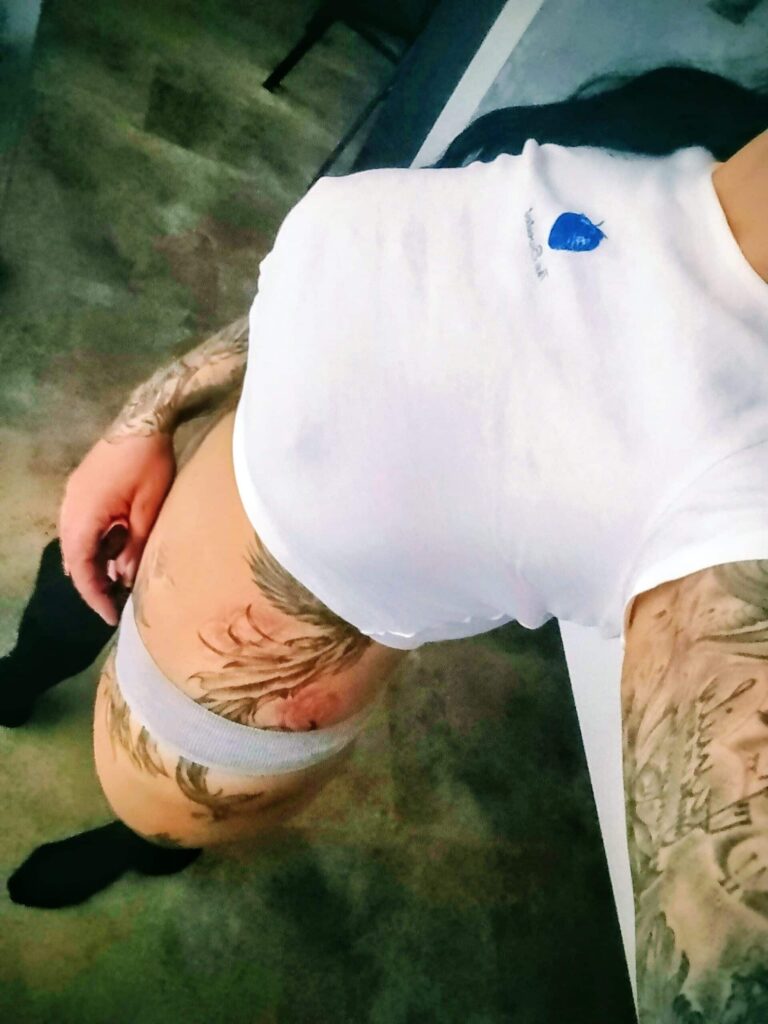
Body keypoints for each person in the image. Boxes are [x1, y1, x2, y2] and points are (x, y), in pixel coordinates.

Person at [1, 65, 767, 1022]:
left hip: (227, 740)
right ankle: (22, 677)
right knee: (57, 606)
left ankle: (143, 848)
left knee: (171, 821)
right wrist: (152, 409)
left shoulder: (740, 488)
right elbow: (380, 301)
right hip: (151, 509)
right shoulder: (645, 124)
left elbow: (720, 927)